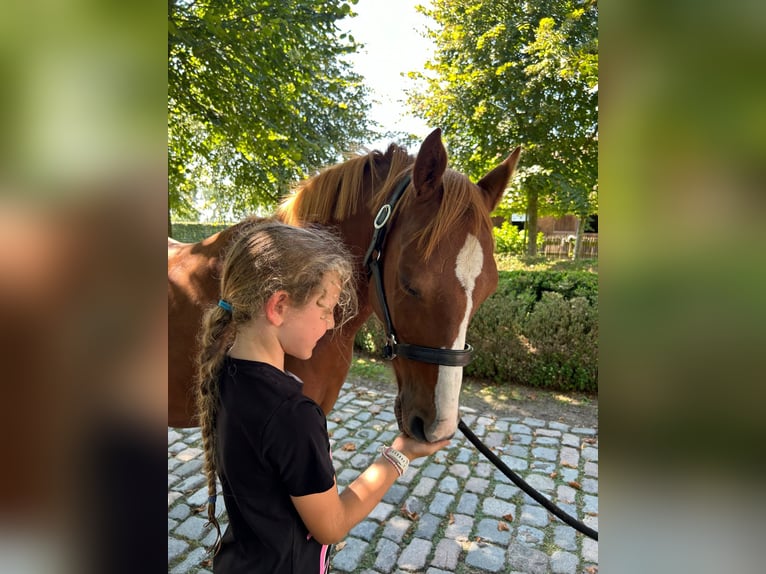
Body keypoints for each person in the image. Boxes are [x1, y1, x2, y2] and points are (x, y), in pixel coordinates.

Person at [195, 218, 450, 573]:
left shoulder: (224, 372)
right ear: (279, 306)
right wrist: (399, 455)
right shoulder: (291, 414)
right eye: (325, 308)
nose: (330, 323)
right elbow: (330, 525)